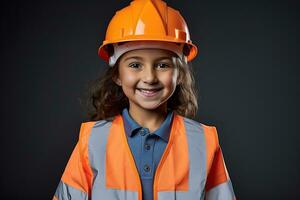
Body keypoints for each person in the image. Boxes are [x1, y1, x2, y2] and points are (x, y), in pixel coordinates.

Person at [53, 0, 236, 199]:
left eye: (163, 65)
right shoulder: (92, 143)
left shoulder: (203, 142)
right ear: (117, 75)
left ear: (180, 73)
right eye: (135, 65)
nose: (149, 78)